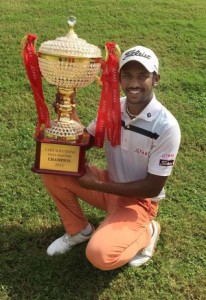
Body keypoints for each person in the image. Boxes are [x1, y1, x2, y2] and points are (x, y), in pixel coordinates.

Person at [42, 45, 181, 270]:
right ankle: (79, 230)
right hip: (109, 183)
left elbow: (153, 187)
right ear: (119, 78)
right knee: (53, 171)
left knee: (100, 256)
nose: (134, 83)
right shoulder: (114, 107)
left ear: (156, 78)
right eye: (127, 75)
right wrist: (68, 113)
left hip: (139, 201)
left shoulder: (166, 126)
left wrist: (96, 184)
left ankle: (149, 230)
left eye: (142, 76)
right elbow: (86, 141)